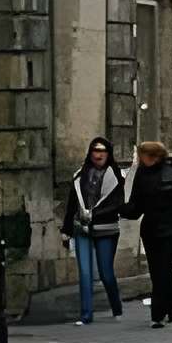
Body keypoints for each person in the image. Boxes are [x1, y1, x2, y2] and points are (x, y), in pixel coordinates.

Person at [123, 139, 172, 327]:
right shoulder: (141, 173)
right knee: (157, 273)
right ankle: (170, 306)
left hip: (171, 230)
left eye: (143, 156)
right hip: (150, 230)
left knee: (163, 271)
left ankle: (157, 315)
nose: (140, 160)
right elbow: (136, 206)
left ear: (154, 157)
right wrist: (118, 208)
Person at [61, 137, 125, 324]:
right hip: (82, 229)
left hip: (106, 229)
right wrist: (66, 229)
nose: (99, 154)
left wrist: (93, 214)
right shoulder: (80, 176)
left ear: (108, 154)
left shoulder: (115, 176)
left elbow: (116, 204)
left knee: (106, 273)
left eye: (103, 151)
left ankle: (116, 306)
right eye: (95, 151)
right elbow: (72, 204)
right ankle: (86, 315)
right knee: (85, 273)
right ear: (90, 154)